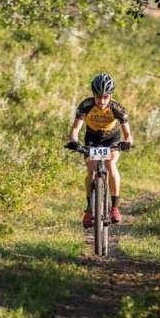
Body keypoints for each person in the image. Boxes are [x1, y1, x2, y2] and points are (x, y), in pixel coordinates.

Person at [65, 73, 133, 228]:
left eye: (105, 97)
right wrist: (74, 142)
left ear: (110, 96)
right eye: (98, 97)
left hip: (112, 139)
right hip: (92, 139)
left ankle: (115, 208)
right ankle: (89, 209)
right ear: (93, 95)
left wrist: (127, 143)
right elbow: (75, 129)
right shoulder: (86, 105)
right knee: (90, 170)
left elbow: (128, 134)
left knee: (110, 164)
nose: (101, 101)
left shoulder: (117, 108)